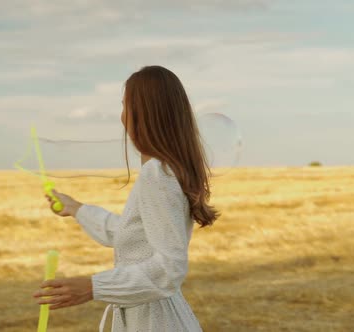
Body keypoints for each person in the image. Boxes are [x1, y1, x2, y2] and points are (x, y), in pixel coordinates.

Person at [32, 65, 219, 331]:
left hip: (156, 321)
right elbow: (132, 235)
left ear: (144, 114)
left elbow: (170, 267)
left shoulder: (158, 175)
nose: (122, 117)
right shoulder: (163, 171)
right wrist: (76, 209)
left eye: (125, 106)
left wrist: (92, 287)